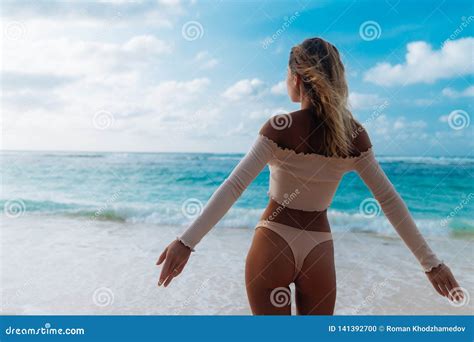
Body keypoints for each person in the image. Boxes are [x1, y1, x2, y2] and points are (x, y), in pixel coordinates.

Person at [156, 37, 463, 315]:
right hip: (319, 251)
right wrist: (430, 264)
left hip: (273, 242)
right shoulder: (354, 135)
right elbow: (388, 200)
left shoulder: (279, 126)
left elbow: (235, 186)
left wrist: (186, 242)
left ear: (297, 79)